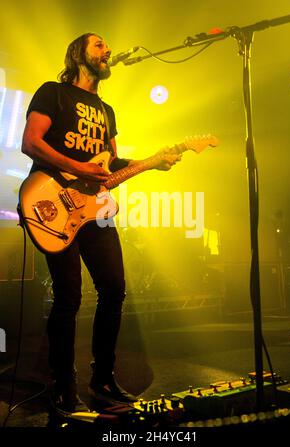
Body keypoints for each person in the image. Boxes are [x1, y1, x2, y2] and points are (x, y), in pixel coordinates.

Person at [21, 33, 181, 413]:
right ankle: (62, 386)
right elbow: (31, 142)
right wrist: (78, 167)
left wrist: (152, 161)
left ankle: (104, 379)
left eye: (107, 47)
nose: (107, 50)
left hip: (96, 208)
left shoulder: (107, 111)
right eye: (99, 45)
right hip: (51, 201)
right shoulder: (53, 93)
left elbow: (109, 166)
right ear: (78, 54)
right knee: (69, 295)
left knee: (114, 288)